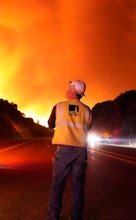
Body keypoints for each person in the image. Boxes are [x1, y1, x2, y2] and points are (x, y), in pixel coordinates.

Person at [47, 80, 92, 220]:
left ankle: (53, 217)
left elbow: (50, 124)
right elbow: (88, 127)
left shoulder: (59, 107)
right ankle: (76, 217)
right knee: (78, 185)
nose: (66, 89)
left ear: (73, 91)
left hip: (64, 150)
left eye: (68, 87)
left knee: (58, 184)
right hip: (80, 151)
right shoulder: (87, 110)